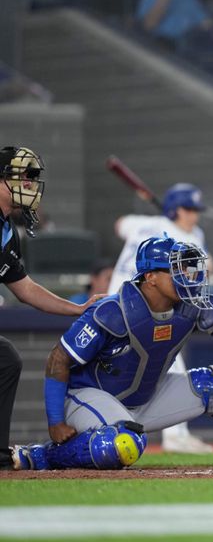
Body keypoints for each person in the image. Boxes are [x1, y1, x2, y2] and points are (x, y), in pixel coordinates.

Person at [10, 236, 213, 470]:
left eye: (187, 266)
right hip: (87, 397)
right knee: (123, 444)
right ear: (151, 278)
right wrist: (54, 421)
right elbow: (58, 359)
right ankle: (40, 454)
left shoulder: (191, 305)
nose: (187, 275)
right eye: (176, 268)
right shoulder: (112, 312)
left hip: (144, 398)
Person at [0, 146, 103, 470]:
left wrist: (78, 309)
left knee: (5, 360)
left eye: (32, 178)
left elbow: (25, 289)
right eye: (23, 177)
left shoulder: (8, 232)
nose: (30, 185)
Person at [108, 183, 212, 454]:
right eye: (188, 210)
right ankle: (176, 436)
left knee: (136, 368)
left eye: (195, 210)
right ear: (175, 210)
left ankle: (167, 434)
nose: (194, 216)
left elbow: (119, 224)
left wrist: (152, 221)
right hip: (137, 307)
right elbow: (206, 268)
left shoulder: (140, 224)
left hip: (114, 307)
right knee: (168, 362)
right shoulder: (185, 237)